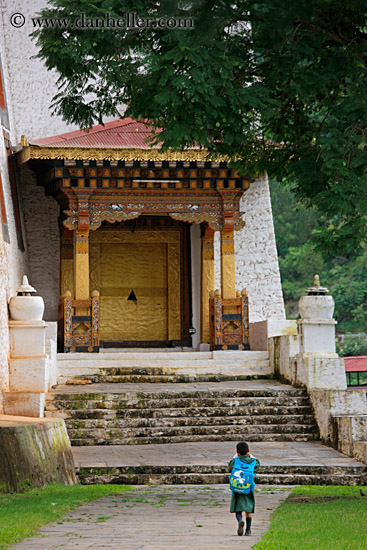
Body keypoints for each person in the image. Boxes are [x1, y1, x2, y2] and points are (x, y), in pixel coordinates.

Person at [228, 441, 260, 536]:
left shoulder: (235, 461)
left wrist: (235, 457)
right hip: (248, 489)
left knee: (238, 510)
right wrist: (251, 456)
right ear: (248, 450)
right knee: (248, 510)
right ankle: (248, 530)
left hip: (237, 489)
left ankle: (240, 520)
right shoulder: (254, 462)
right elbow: (257, 465)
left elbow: (230, 465)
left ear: (237, 452)